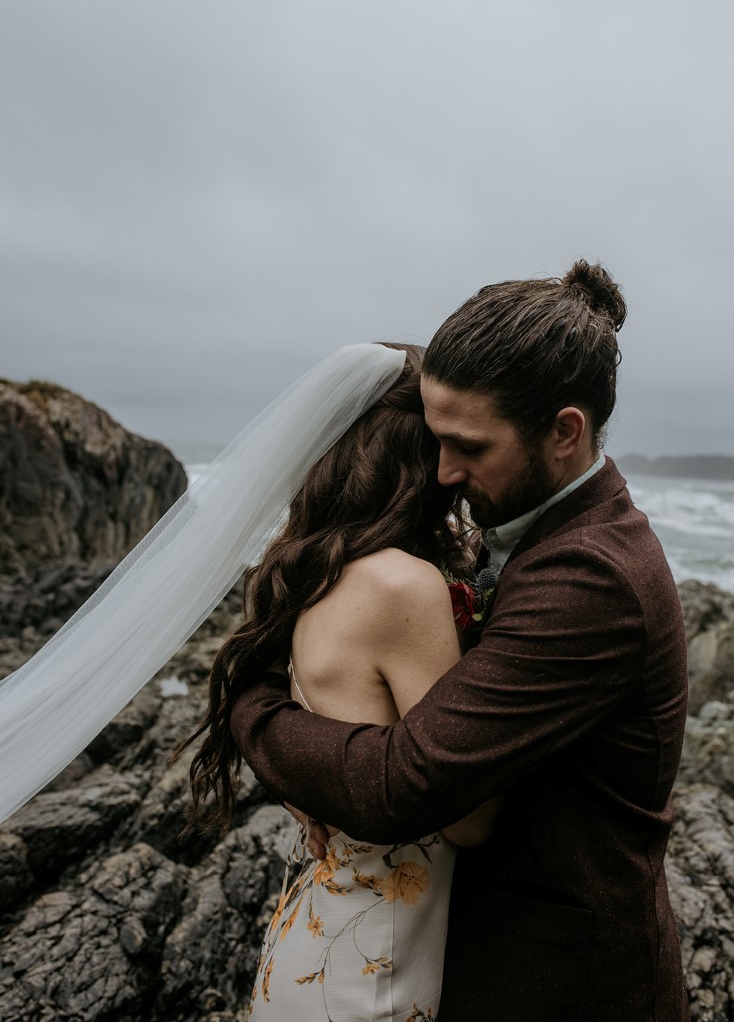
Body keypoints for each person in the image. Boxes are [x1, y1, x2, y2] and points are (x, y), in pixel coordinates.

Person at [229, 261, 691, 1022]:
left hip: (565, 985)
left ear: (565, 432)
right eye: (435, 439)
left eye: (469, 446)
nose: (444, 472)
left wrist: (255, 708)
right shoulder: (523, 532)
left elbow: (401, 784)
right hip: (470, 957)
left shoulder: (594, 575)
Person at [181, 344, 499, 1021]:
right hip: (376, 966)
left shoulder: (312, 569)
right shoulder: (402, 586)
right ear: (418, 458)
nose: (456, 469)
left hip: (318, 936)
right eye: (445, 444)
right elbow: (469, 820)